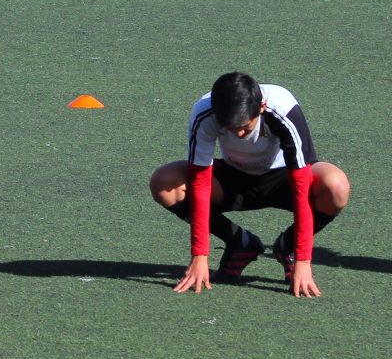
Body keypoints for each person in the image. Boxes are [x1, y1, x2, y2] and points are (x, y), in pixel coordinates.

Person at [150, 72, 351, 297]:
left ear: (262, 108)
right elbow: (200, 182)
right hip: (235, 179)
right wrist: (200, 256)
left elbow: (301, 185)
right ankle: (240, 243)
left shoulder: (283, 108)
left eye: (245, 127)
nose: (238, 133)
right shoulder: (204, 112)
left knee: (336, 186)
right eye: (230, 127)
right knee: (164, 183)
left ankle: (288, 246)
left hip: (283, 179)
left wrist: (303, 260)